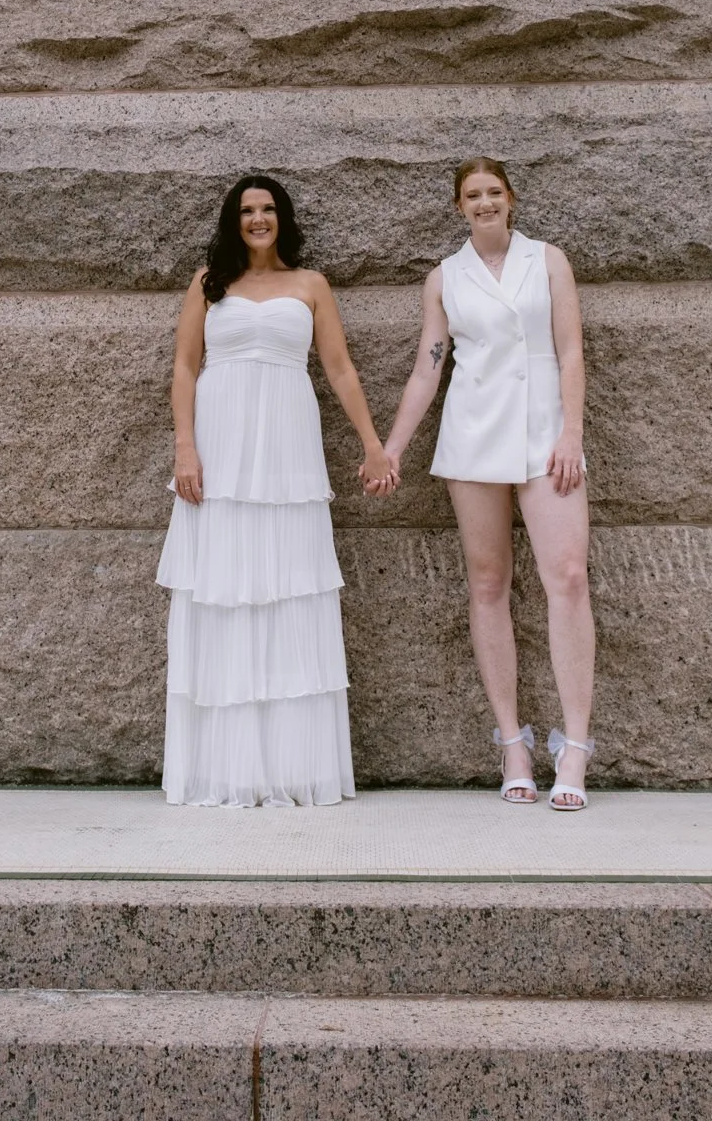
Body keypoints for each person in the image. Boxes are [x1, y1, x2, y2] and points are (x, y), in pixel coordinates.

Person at [158, 174, 394, 806]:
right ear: (232, 221)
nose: (257, 219)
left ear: (283, 219)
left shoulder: (311, 285)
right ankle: (226, 769)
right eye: (246, 210)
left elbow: (339, 368)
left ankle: (293, 767)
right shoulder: (209, 283)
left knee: (288, 587)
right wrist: (185, 445)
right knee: (226, 590)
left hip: (287, 450)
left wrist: (373, 444)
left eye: (267, 210)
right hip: (223, 451)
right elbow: (184, 366)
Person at [373, 156, 596, 810]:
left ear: (511, 198)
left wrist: (572, 433)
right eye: (471, 195)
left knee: (569, 575)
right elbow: (427, 369)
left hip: (546, 436)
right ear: (458, 206)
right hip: (472, 437)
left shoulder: (547, 261)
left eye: (493, 192)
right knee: (486, 583)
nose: (483, 203)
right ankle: (512, 745)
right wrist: (390, 449)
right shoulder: (444, 279)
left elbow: (571, 350)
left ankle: (575, 748)